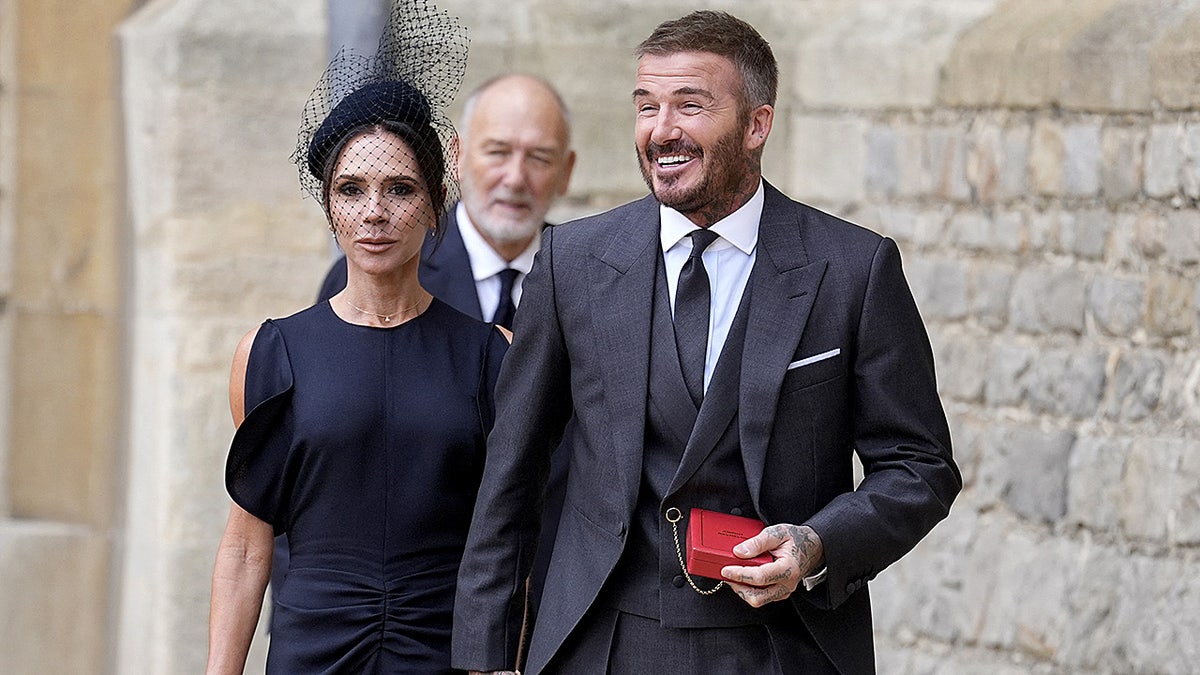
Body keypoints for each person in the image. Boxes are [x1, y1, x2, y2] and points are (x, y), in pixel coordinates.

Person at [452, 10, 961, 675]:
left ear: (757, 125)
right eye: (647, 107)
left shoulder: (853, 269)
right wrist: (486, 657)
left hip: (781, 647)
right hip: (602, 643)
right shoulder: (572, 261)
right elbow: (511, 472)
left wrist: (816, 544)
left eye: (689, 106)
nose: (662, 130)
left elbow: (920, 464)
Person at [206, 2, 508, 672]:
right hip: (311, 650)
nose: (374, 212)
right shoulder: (269, 353)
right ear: (328, 205)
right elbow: (247, 545)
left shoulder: (491, 355)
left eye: (399, 188)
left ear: (435, 203)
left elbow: (512, 538)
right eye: (351, 189)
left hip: (445, 651)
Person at [307, 73, 575, 620]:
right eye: (497, 151)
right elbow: (320, 462)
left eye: (539, 158)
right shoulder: (365, 270)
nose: (514, 177)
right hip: (390, 617)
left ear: (566, 171)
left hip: (545, 612)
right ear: (455, 156)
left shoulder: (592, 285)